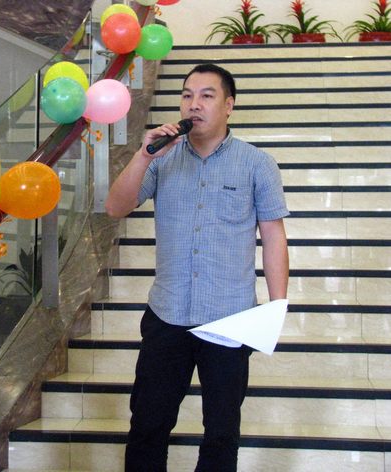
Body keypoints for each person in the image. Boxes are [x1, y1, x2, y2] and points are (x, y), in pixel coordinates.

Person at [105, 63, 289, 471]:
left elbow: (273, 235)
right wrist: (143, 155)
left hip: (230, 320)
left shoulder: (257, 163)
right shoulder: (162, 159)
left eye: (207, 95)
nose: (194, 104)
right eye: (187, 95)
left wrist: (277, 306)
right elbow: (115, 207)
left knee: (221, 432)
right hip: (167, 314)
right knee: (148, 425)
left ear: (229, 105)